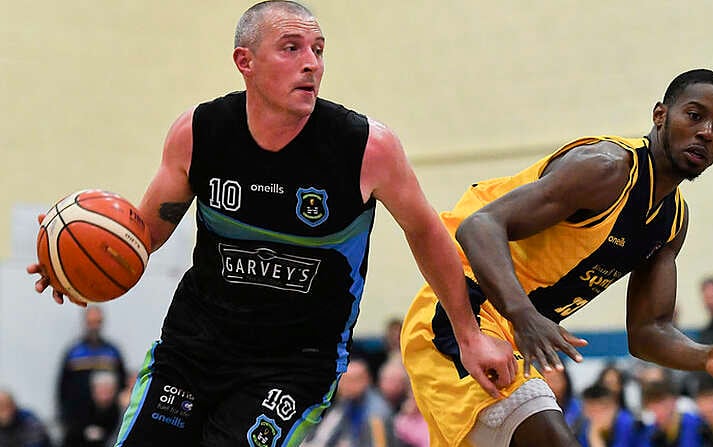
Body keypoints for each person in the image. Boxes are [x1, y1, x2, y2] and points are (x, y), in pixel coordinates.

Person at [27, 2, 515, 446]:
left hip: (294, 363)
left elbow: (426, 231)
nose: (313, 63)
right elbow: (146, 235)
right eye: (292, 48)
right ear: (245, 61)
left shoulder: (366, 147)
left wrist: (469, 336)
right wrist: (71, 262)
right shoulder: (198, 134)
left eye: (319, 50)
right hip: (194, 347)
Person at [400, 69, 713, 447]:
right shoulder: (606, 167)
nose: (707, 133)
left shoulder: (671, 220)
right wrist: (526, 316)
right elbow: (479, 227)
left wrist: (705, 355)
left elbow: (649, 331)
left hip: (515, 333)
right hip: (459, 314)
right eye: (695, 116)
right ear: (660, 114)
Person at [56, 306, 126, 442]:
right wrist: (65, 419)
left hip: (108, 422)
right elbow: (62, 388)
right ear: (85, 323)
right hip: (77, 421)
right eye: (91, 322)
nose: (94, 326)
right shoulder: (74, 352)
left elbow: (122, 385)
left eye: (97, 322)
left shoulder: (112, 352)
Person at [300, 357, 395, 447]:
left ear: (367, 380)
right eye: (342, 380)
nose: (344, 385)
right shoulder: (345, 402)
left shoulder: (377, 414)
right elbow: (323, 437)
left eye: (351, 380)